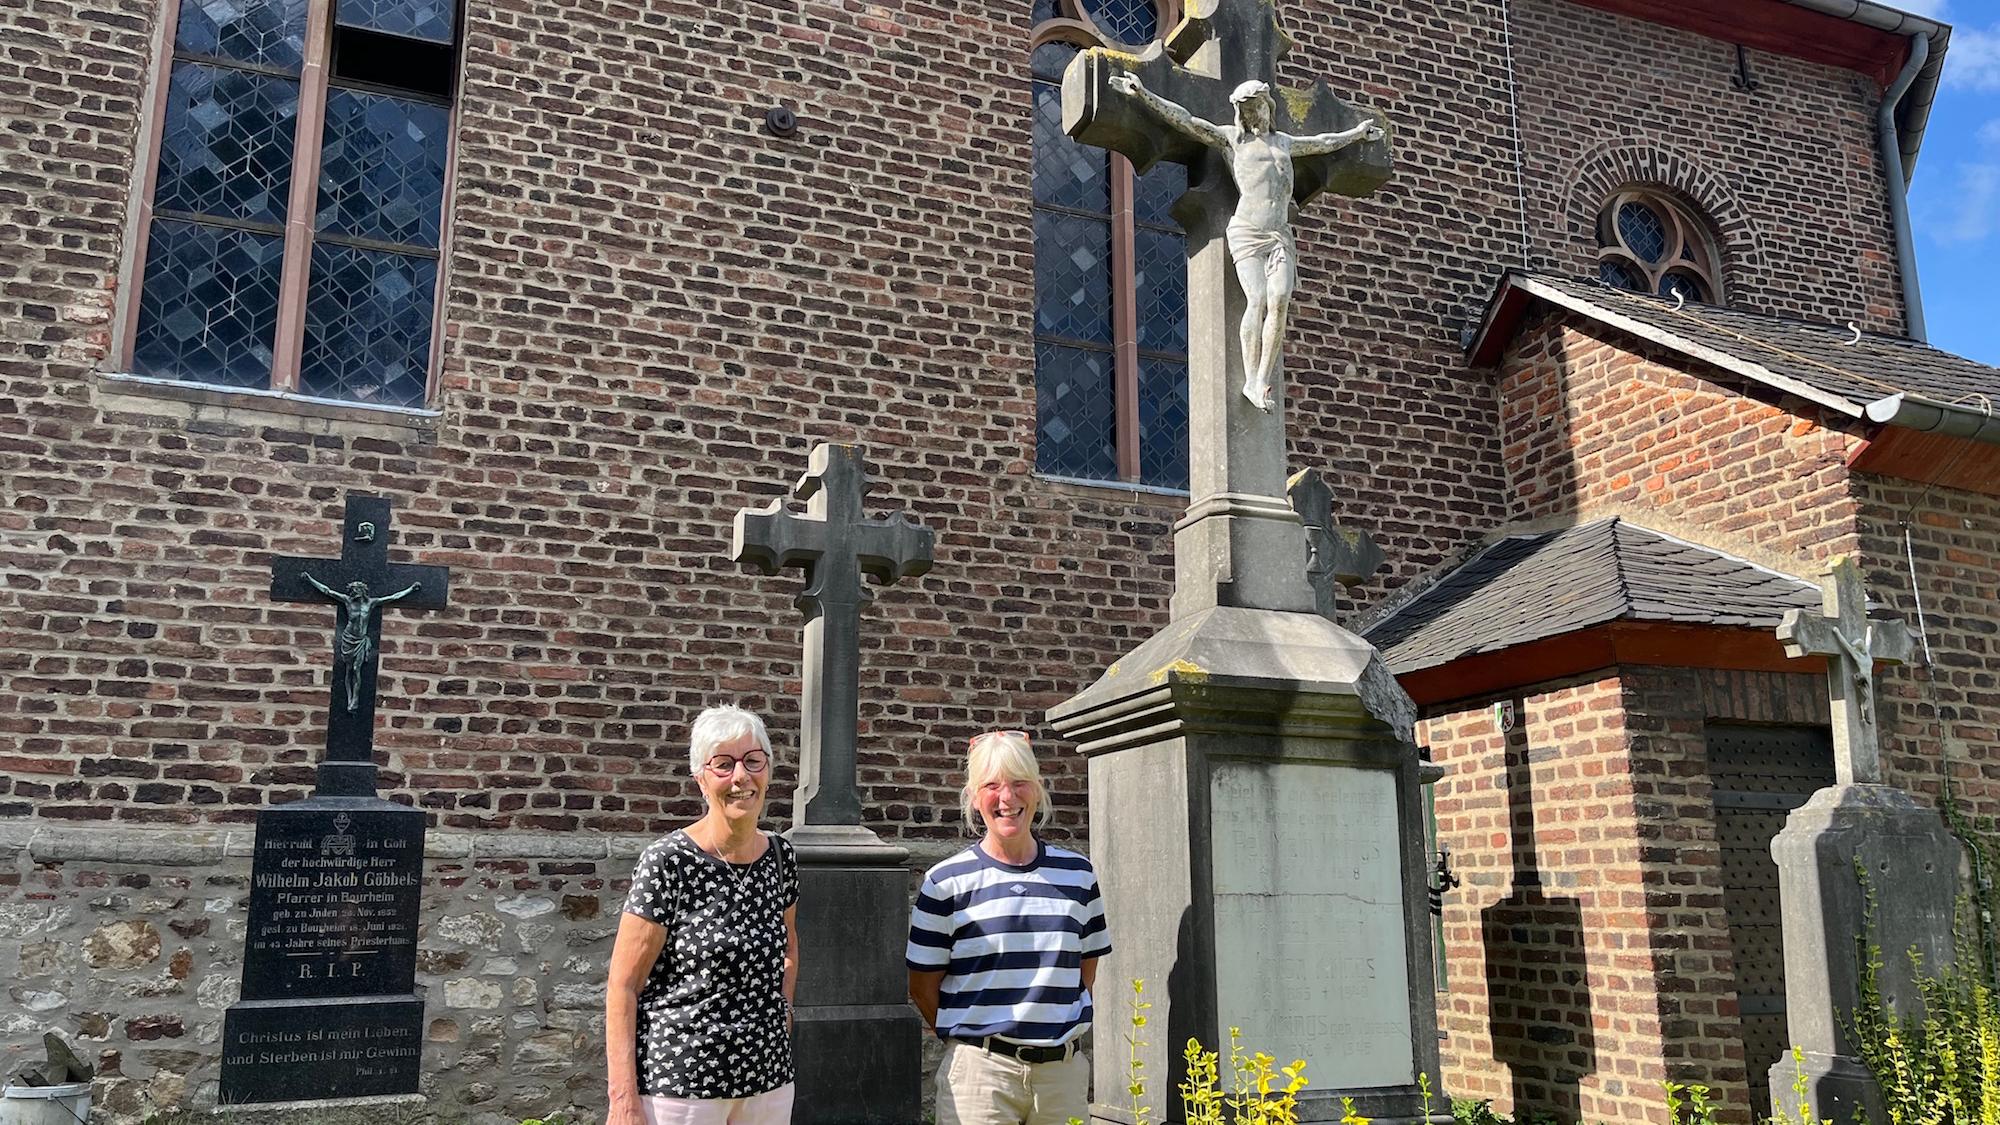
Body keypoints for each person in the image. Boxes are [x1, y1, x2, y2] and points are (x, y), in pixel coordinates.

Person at [1109, 72, 1385, 411]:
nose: (1255, 118)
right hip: (1247, 230)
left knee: (1280, 299)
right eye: (1249, 112)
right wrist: (1143, 93)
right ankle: (1251, 379)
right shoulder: (1232, 139)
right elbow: (1185, 120)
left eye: (1259, 110)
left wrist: (1357, 135)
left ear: (1268, 108)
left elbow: (1324, 142)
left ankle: (1260, 378)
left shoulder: (1284, 142)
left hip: (1279, 233)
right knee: (1256, 300)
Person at [606, 706, 800, 1125]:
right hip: (683, 1084)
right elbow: (623, 986)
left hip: (769, 1081)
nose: (740, 777)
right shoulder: (668, 861)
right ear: (701, 779)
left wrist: (782, 1017)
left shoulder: (781, 857)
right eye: (723, 764)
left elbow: (788, 945)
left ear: (767, 770)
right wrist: (623, 1098)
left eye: (753, 761)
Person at [907, 730, 1111, 1125]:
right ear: (972, 795)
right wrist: (975, 1041)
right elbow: (922, 986)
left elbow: (1084, 971)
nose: (1007, 798)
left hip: (1061, 1077)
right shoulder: (945, 882)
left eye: (1019, 783)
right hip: (981, 1079)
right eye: (992, 785)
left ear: (1037, 789)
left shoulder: (1078, 874)